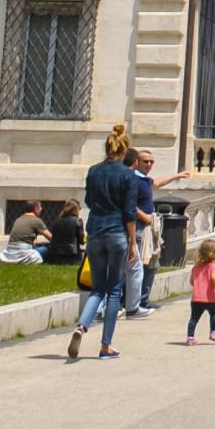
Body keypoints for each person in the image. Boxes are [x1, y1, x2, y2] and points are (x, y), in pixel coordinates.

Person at [70, 125, 141, 361]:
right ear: (124, 150)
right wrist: (133, 242)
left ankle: (81, 325)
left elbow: (89, 200)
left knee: (97, 288)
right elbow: (129, 212)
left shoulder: (93, 171)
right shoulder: (127, 175)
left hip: (95, 232)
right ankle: (105, 346)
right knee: (113, 290)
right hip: (117, 233)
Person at [126, 149, 162, 315]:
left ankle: (144, 300)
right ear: (136, 163)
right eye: (145, 161)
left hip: (148, 227)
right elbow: (130, 204)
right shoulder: (133, 179)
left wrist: (177, 177)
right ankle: (134, 302)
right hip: (139, 227)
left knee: (152, 262)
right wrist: (144, 216)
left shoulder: (146, 180)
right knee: (139, 264)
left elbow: (158, 183)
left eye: (151, 162)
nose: (149, 164)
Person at [187, 238, 215, 345]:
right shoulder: (214, 267)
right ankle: (213, 332)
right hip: (210, 298)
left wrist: (199, 285)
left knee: (193, 318)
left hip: (196, 298)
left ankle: (190, 337)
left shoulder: (195, 267)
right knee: (214, 313)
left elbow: (192, 282)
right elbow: (214, 278)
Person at [45, 199, 86, 265]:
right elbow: (81, 241)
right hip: (72, 256)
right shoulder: (78, 221)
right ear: (76, 209)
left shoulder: (57, 221)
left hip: (55, 256)